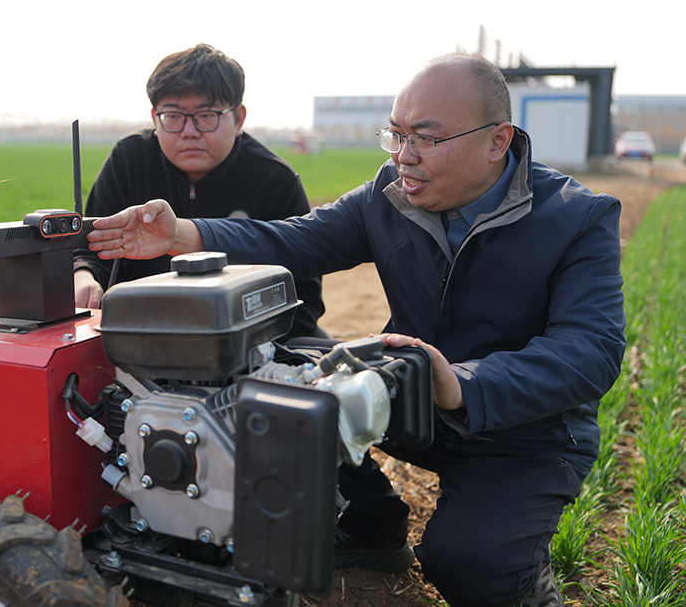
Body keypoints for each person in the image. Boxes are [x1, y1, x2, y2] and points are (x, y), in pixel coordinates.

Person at [86, 54, 626, 607]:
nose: (404, 156)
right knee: (278, 380)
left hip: (521, 435)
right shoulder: (388, 194)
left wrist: (462, 383)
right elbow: (296, 239)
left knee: (469, 564)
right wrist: (184, 232)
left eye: (425, 138)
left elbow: (591, 350)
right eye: (395, 135)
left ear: (498, 140)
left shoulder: (575, 219)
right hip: (411, 401)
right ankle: (369, 527)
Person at [73, 43, 324, 338]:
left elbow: (303, 294)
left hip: (243, 341)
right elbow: (92, 247)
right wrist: (83, 276)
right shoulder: (129, 160)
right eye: (173, 116)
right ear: (155, 117)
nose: (188, 131)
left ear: (239, 118)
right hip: (138, 330)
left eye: (206, 115)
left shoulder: (275, 180)